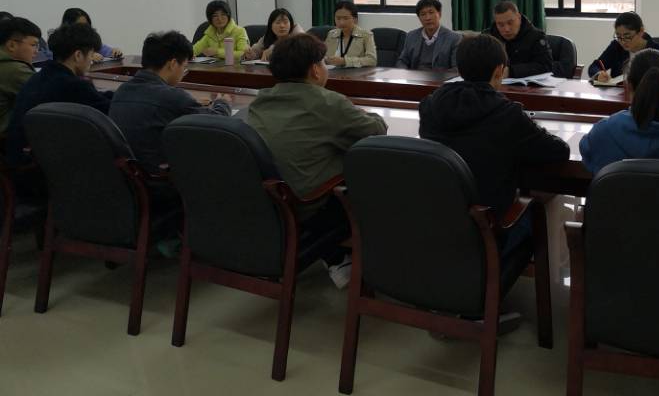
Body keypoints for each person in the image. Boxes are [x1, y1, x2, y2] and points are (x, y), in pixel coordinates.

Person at [248, 33, 386, 288]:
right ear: (314, 70)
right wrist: (364, 113)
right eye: (323, 62)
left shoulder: (261, 100)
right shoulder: (327, 102)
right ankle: (359, 264)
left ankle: (336, 258)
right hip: (309, 207)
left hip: (266, 204)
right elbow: (376, 131)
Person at [418, 34, 570, 224]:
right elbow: (559, 151)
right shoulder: (508, 114)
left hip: (436, 220)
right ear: (499, 71)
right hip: (491, 227)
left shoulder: (429, 106)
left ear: (460, 69)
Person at [109, 31, 232, 172]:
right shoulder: (172, 97)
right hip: (161, 178)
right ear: (173, 64)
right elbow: (218, 121)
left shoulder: (122, 90)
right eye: (184, 67)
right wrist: (223, 102)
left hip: (130, 177)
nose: (183, 72)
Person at [5, 23, 113, 167]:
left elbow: (96, 98)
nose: (91, 60)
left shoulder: (40, 77)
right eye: (91, 55)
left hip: (22, 160)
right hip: (43, 167)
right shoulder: (74, 85)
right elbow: (111, 112)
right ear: (78, 55)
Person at [587, 11, 659, 82]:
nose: (623, 42)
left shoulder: (658, 51)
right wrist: (599, 74)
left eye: (627, 36)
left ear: (641, 31)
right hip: (618, 94)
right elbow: (594, 66)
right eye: (619, 36)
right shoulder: (616, 47)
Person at [485, 1, 554, 79]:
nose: (506, 29)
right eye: (500, 25)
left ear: (519, 17)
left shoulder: (536, 36)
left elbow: (546, 66)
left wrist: (511, 71)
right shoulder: (488, 37)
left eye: (510, 23)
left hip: (526, 85)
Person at [0, 17, 40, 138]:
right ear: (12, 45)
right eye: (33, 45)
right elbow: (49, 94)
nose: (36, 51)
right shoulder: (16, 70)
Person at [396, 0, 461, 70]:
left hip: (440, 76)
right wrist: (405, 73)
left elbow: (456, 68)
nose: (428, 18)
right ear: (419, 18)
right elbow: (402, 61)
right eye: (423, 14)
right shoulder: (411, 36)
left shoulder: (454, 38)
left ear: (439, 14)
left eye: (431, 13)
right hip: (415, 76)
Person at [324, 0, 377, 68]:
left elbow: (372, 60)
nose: (341, 22)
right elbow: (324, 56)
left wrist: (344, 61)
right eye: (338, 18)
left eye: (346, 18)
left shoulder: (366, 35)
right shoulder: (331, 34)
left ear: (355, 19)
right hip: (332, 73)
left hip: (356, 74)